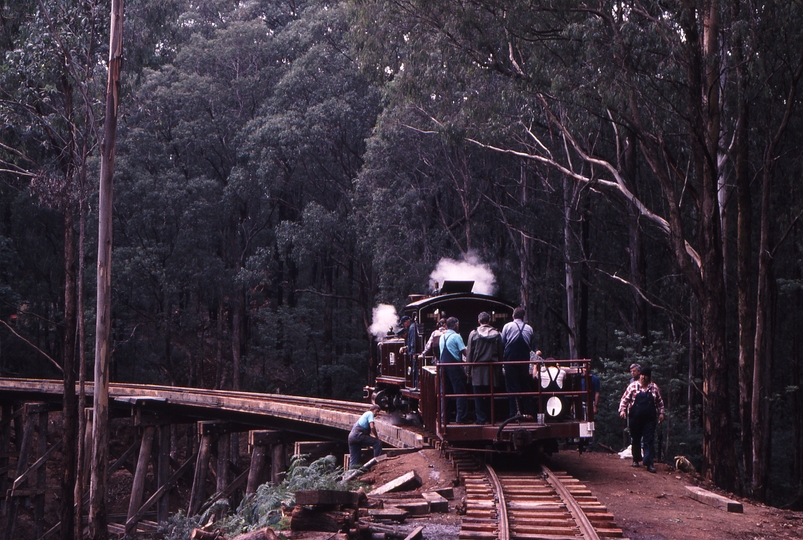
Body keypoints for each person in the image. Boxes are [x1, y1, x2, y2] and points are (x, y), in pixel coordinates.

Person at [618, 366, 665, 473]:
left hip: (649, 419)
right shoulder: (633, 386)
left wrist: (662, 413)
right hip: (635, 417)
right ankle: (636, 459)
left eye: (645, 376)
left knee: (649, 439)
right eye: (642, 375)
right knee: (635, 438)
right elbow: (624, 400)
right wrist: (622, 410)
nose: (643, 378)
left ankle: (649, 463)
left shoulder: (654, 388)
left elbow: (660, 402)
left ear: (649, 377)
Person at [465, 312, 504, 424]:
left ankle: (481, 419)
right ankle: (491, 417)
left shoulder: (473, 334)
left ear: (479, 321)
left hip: (477, 369)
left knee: (478, 395)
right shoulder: (497, 334)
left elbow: (469, 353)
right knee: (490, 395)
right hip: (492, 369)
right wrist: (500, 367)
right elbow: (500, 352)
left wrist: (468, 370)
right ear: (489, 320)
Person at [501, 307, 535, 417]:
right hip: (524, 358)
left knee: (512, 386)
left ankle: (514, 412)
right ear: (523, 317)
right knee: (525, 384)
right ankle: (529, 411)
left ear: (513, 316)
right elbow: (531, 343)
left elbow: (503, 342)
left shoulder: (507, 326)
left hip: (510, 358)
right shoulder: (529, 328)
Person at [439, 316, 470, 424]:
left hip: (443, 367)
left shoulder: (442, 337)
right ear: (456, 325)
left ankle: (444, 418)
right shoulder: (457, 337)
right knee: (460, 391)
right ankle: (461, 418)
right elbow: (464, 352)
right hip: (454, 366)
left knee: (445, 393)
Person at [348, 404, 383, 469]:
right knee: (377, 443)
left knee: (354, 460)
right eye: (376, 411)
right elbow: (372, 427)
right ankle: (377, 464)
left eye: (378, 412)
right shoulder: (370, 413)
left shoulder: (364, 416)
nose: (377, 413)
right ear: (372, 410)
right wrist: (377, 437)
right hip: (358, 435)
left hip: (351, 437)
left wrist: (368, 446)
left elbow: (366, 435)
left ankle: (350, 475)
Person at [399, 315, 420, 388]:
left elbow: (413, 341)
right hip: (412, 351)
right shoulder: (412, 327)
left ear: (407, 321)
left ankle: (416, 386)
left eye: (403, 323)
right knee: (414, 369)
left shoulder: (412, 328)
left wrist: (413, 352)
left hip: (414, 352)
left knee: (415, 370)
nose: (403, 325)